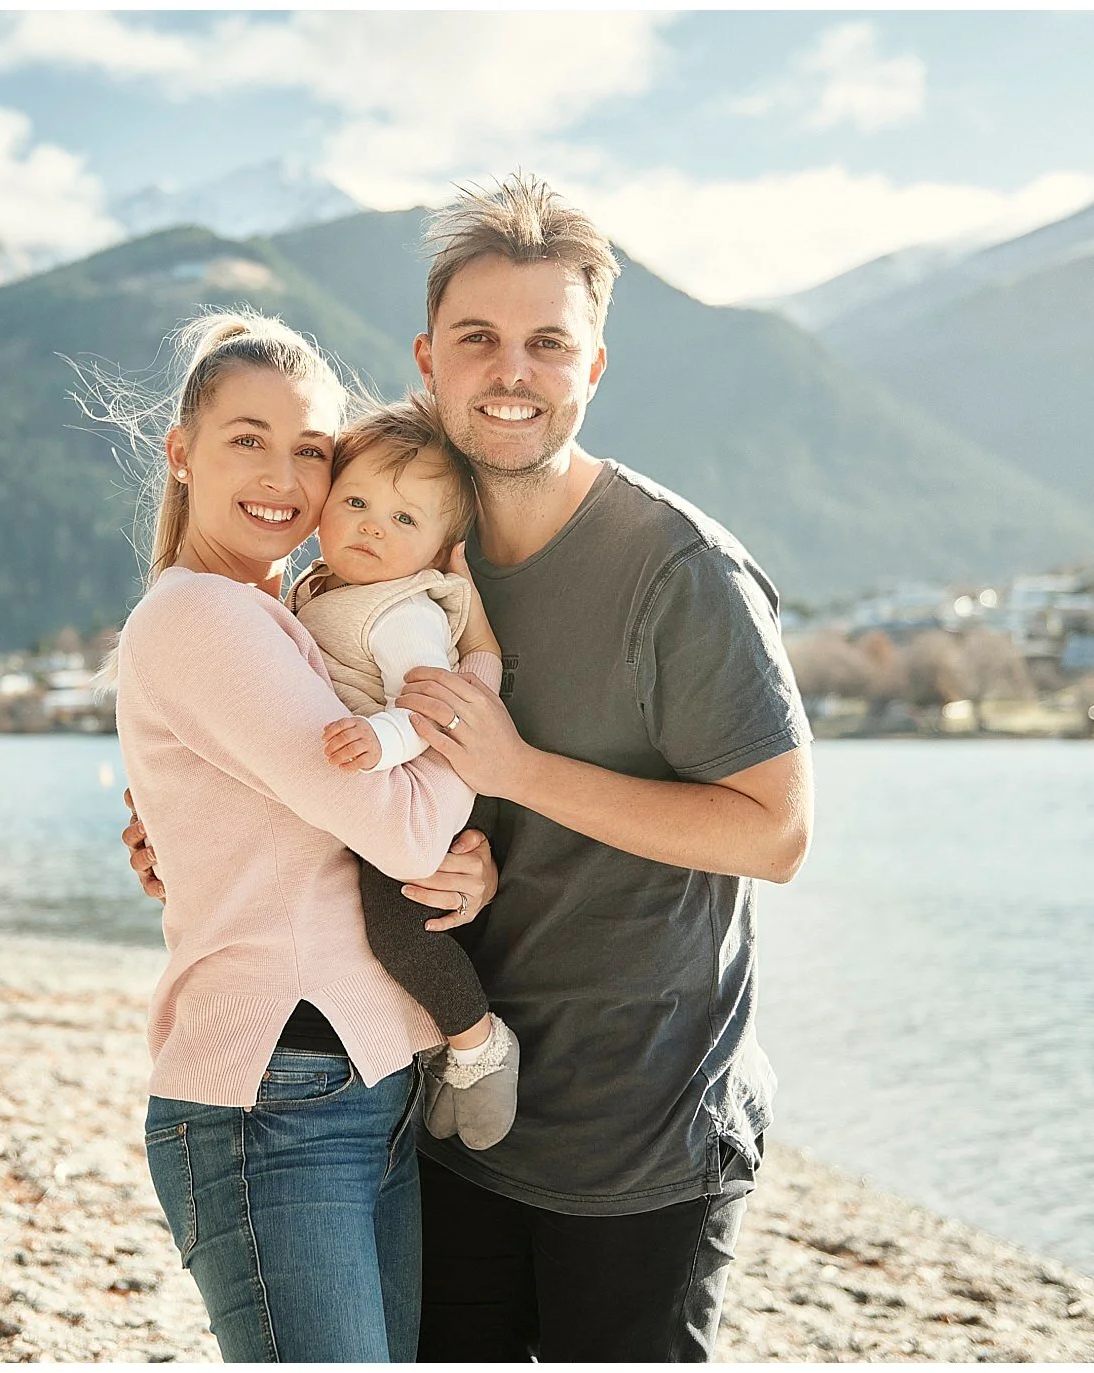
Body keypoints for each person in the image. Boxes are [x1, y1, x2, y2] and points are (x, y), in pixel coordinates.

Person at [124, 174, 815, 1361]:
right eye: (478, 338)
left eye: (548, 343)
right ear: (426, 359)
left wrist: (514, 769)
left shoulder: (677, 568)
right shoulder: (373, 556)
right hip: (439, 1111)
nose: (510, 371)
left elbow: (774, 833)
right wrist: (186, 833)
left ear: (591, 368)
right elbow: (282, 748)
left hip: (632, 1132)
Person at [105, 311, 497, 1363]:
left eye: (311, 449)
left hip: (361, 1083)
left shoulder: (285, 614)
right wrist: (465, 766)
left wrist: (471, 847)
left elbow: (322, 832)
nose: (283, 474)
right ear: (180, 453)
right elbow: (407, 825)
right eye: (247, 438)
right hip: (271, 1104)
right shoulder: (207, 618)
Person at [294, 393, 521, 1150]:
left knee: (398, 928)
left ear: (436, 547)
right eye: (355, 500)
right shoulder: (319, 589)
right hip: (368, 785)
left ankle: (478, 1041)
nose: (369, 526)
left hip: (410, 782)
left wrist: (380, 738)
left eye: (403, 520)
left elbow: (435, 705)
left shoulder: (401, 611)